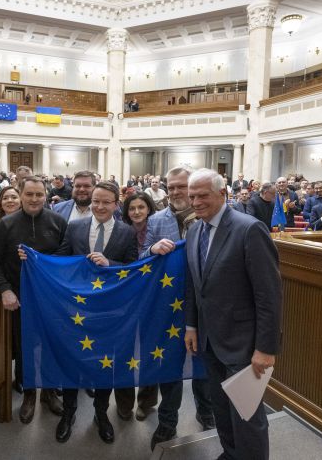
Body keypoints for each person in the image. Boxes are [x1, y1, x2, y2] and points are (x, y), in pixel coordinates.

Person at [183, 168, 282, 460]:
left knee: (247, 415)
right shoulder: (193, 230)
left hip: (245, 343)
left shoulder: (249, 229)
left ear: (222, 193)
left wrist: (265, 348)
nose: (196, 202)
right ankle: (231, 454)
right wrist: (191, 325)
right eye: (192, 196)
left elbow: (269, 295)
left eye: (203, 195)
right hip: (210, 341)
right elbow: (194, 285)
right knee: (222, 408)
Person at [53, 181, 138, 444]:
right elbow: (61, 260)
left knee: (105, 363)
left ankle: (101, 414)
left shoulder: (127, 232)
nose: (100, 206)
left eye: (106, 202)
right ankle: (68, 413)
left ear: (116, 204)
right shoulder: (75, 226)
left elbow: (134, 268)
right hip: (76, 310)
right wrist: (34, 258)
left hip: (109, 312)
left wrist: (110, 264)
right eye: (96, 201)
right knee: (71, 361)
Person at [0, 176, 66, 424]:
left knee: (52, 345)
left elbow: (65, 255)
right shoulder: (6, 224)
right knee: (24, 349)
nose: (34, 199)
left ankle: (50, 392)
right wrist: (5, 290)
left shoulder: (58, 221)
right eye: (29, 194)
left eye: (39, 194)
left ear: (45, 195)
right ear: (20, 195)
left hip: (51, 298)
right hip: (20, 299)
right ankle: (30, 393)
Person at [145, 166, 214, 450]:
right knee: (170, 364)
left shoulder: (209, 218)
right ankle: (167, 422)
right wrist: (151, 250)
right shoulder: (155, 220)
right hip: (169, 304)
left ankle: (206, 412)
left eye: (181, 186)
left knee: (204, 361)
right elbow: (141, 256)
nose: (175, 192)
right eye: (170, 187)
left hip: (205, 302)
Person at [115, 191, 159, 420]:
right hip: (125, 301)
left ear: (149, 209)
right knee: (123, 351)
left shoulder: (159, 228)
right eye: (132, 208)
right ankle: (123, 404)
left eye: (141, 207)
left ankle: (147, 401)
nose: (136, 212)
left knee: (151, 350)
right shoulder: (121, 231)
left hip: (154, 297)